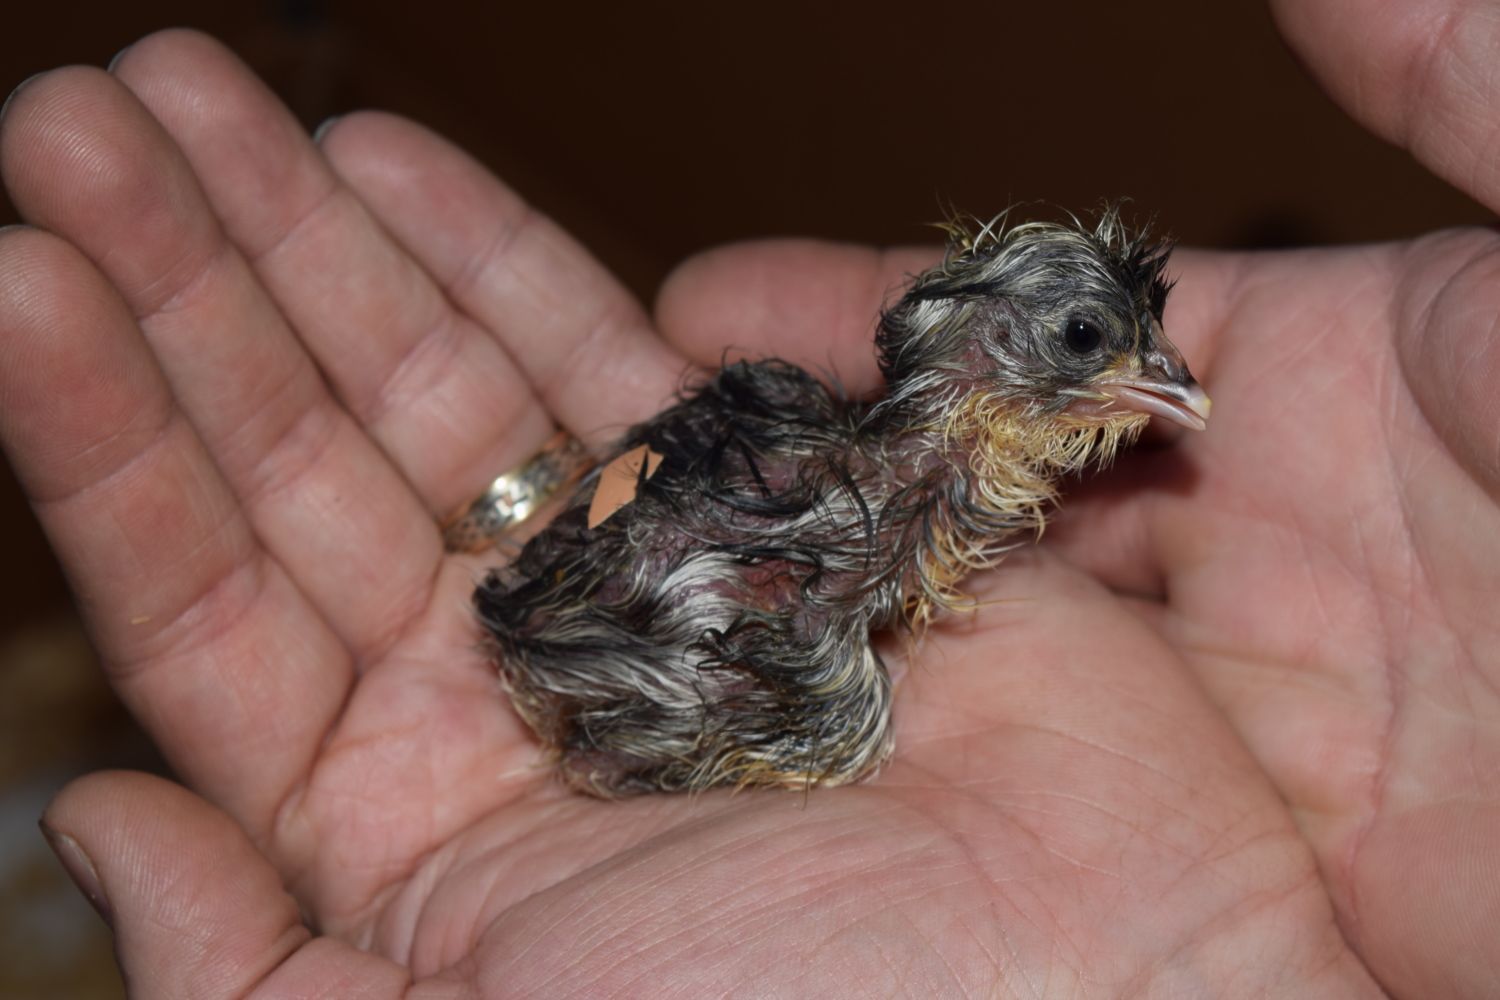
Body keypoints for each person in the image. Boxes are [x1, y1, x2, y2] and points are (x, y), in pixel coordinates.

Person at [0, 3, 1494, 994]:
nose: (1152, 377)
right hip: (603, 630)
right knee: (832, 714)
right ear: (984, 355)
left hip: (596, 590)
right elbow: (672, 541)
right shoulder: (826, 531)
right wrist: (606, 590)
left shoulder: (803, 448)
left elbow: (655, 488)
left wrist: (581, 540)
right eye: (1096, 343)